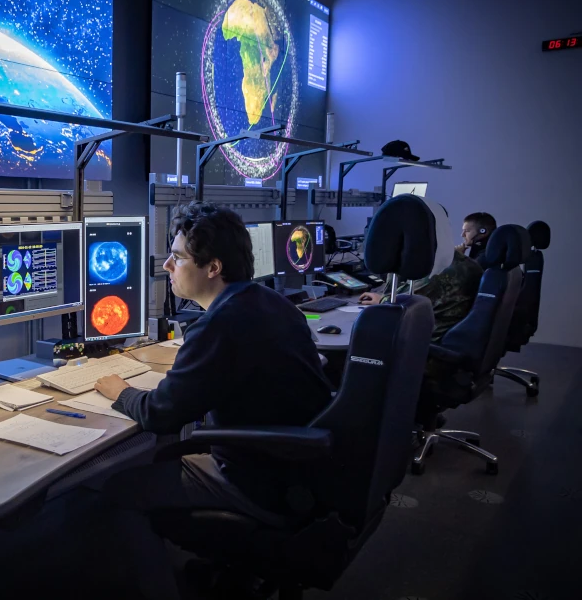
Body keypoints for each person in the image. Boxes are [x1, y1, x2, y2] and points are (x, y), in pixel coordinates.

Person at [92, 202, 333, 599]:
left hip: (260, 479)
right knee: (171, 455)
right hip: (299, 468)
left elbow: (160, 415)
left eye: (178, 257)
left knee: (121, 490)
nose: (168, 265)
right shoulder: (270, 302)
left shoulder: (220, 325)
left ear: (213, 268)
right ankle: (236, 571)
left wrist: (120, 390)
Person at [359, 199, 482, 342]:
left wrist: (382, 299)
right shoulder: (454, 260)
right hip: (436, 339)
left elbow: (399, 305)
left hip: (423, 350)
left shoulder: (441, 271)